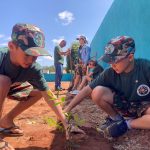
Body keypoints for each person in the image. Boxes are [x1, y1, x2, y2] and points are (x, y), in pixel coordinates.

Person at [0, 23, 83, 150]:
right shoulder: (1, 57)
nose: (31, 60)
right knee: (3, 81)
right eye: (27, 54)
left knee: (39, 92)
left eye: (35, 55)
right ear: (12, 46)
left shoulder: (34, 69)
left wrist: (67, 124)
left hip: (8, 87)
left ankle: (6, 121)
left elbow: (49, 96)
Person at [64, 36, 150, 138]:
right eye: (109, 61)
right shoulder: (110, 72)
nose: (111, 65)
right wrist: (66, 110)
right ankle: (116, 119)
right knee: (97, 91)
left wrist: (127, 125)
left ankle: (126, 124)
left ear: (130, 57)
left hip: (144, 106)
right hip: (124, 104)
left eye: (115, 60)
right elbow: (87, 89)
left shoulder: (145, 67)